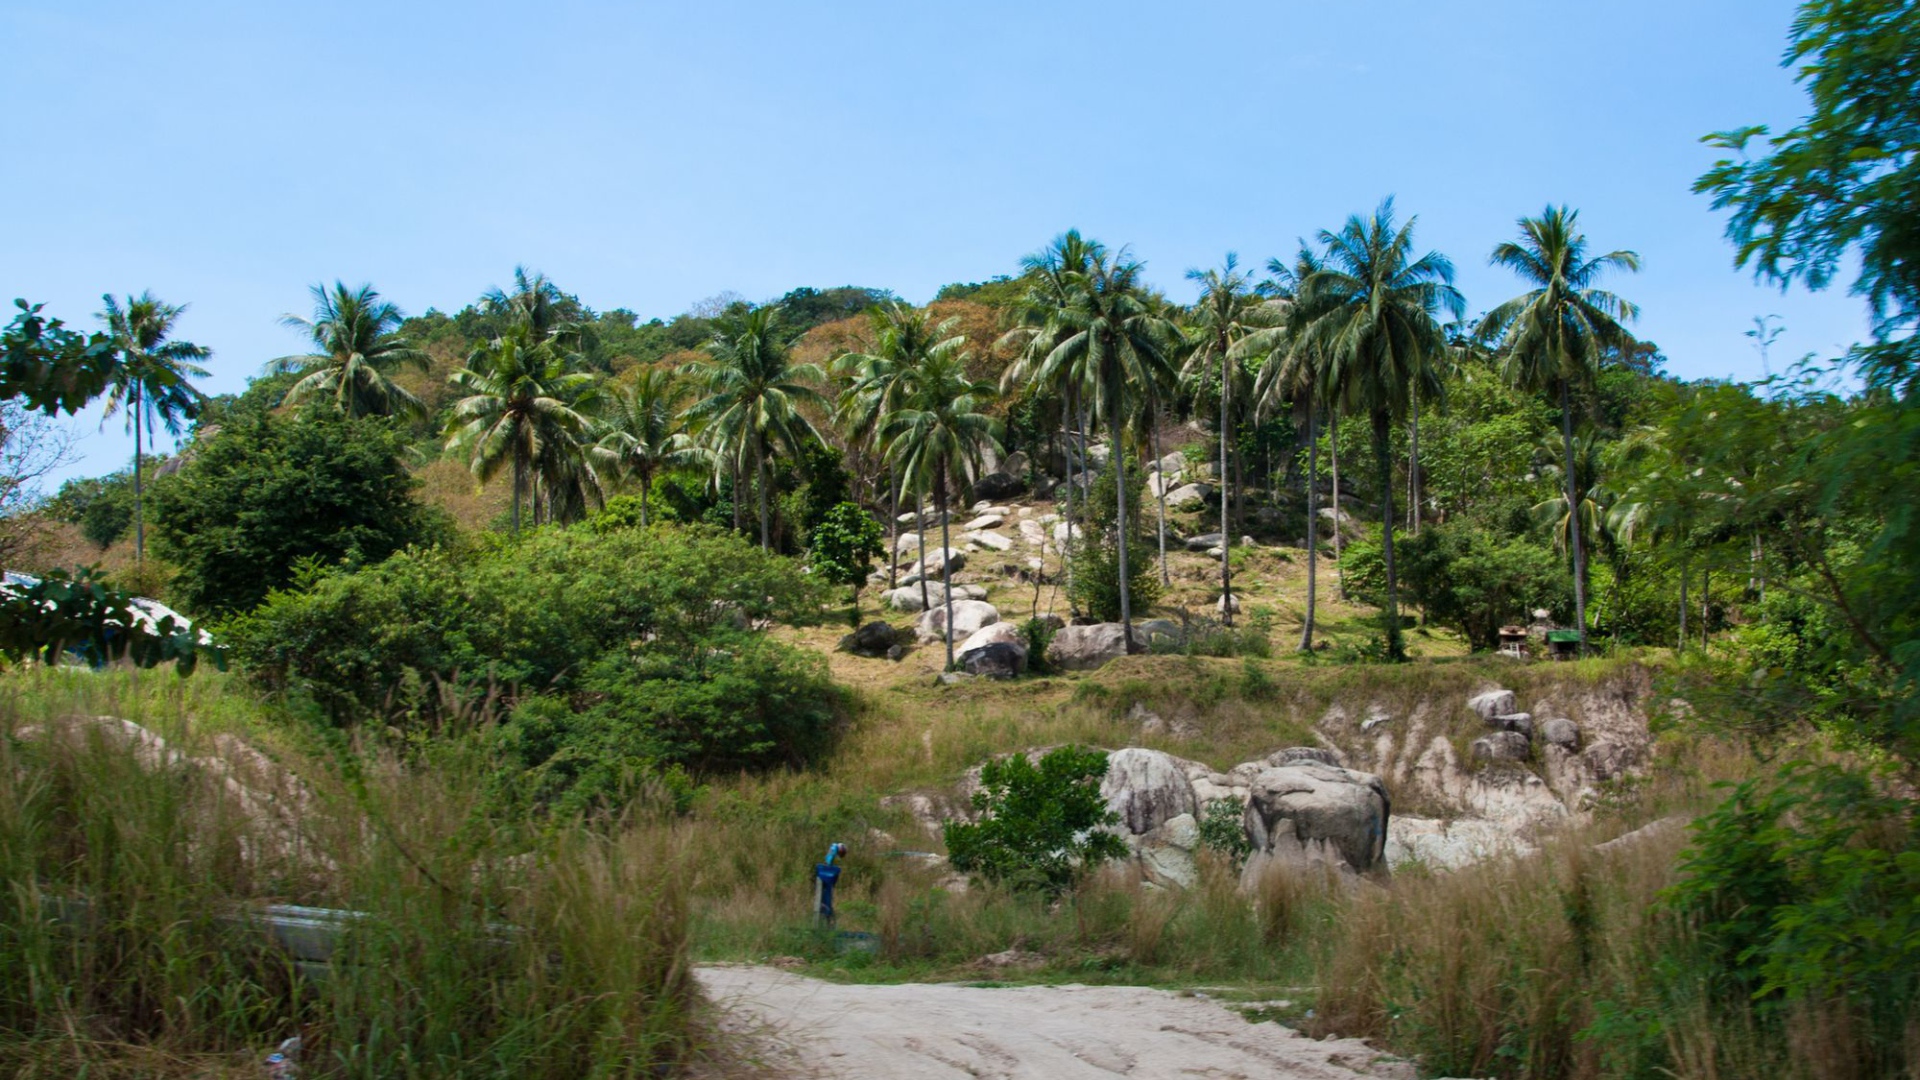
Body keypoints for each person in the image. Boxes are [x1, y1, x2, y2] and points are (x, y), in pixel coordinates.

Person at [813, 842, 848, 925]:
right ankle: (826, 916)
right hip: (826, 872)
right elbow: (830, 857)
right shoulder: (835, 847)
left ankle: (825, 916)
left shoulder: (834, 847)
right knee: (825, 897)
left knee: (825, 896)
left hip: (826, 872)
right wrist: (828, 864)